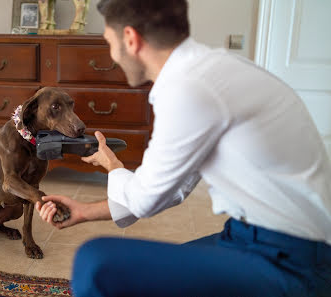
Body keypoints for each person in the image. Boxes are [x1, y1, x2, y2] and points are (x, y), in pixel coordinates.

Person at [35, 0, 331, 296]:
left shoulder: (188, 88)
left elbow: (145, 200)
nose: (113, 56)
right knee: (145, 275)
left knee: (95, 261)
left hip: (291, 260)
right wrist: (85, 211)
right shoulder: (212, 70)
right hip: (258, 239)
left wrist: (113, 166)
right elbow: (173, 189)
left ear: (130, 39)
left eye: (110, 43)